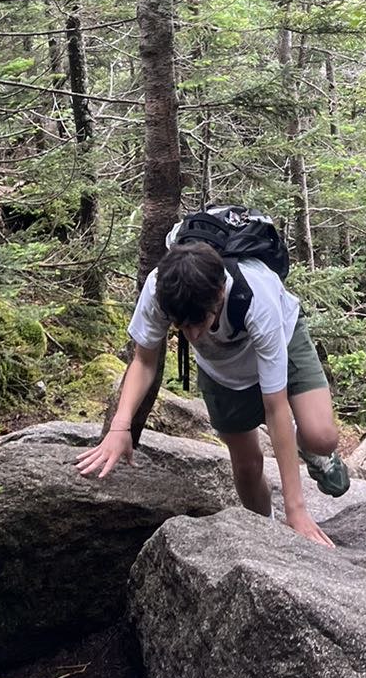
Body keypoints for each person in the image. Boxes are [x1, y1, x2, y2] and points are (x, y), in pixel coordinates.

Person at [75, 232, 350, 548]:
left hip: (282, 341)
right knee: (246, 466)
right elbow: (144, 361)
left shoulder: (256, 296)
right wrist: (119, 427)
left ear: (220, 293)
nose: (191, 334)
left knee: (322, 436)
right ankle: (266, 535)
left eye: (198, 322)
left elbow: (276, 408)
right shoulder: (160, 288)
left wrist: (296, 511)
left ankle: (312, 451)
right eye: (182, 326)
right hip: (221, 369)